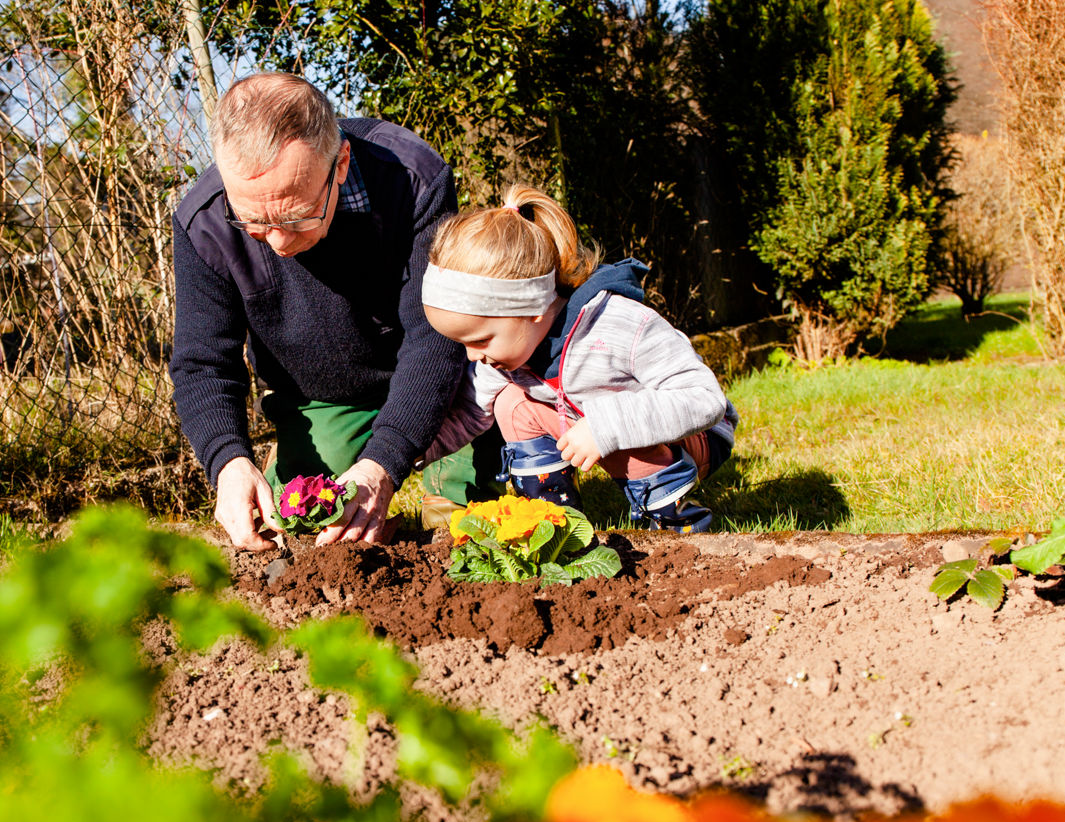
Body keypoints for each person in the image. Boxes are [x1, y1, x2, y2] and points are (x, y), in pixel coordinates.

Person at [169, 72, 492, 550]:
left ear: (339, 163)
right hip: (329, 396)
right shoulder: (205, 222)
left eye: (296, 215)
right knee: (312, 524)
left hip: (446, 384)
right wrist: (227, 462)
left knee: (464, 529)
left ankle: (463, 462)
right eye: (254, 221)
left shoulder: (412, 180)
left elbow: (433, 337)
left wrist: (383, 462)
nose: (277, 242)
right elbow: (203, 362)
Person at [419, 184, 738, 533]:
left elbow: (705, 400)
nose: (472, 355)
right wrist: (410, 452)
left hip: (691, 434)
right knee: (510, 402)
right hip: (585, 421)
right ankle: (553, 521)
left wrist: (606, 425)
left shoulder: (619, 327)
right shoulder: (507, 354)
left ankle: (675, 526)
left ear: (532, 310)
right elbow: (468, 412)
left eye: (480, 339)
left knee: (601, 407)